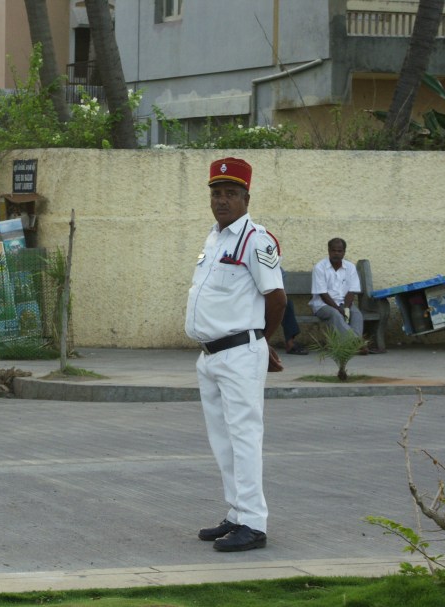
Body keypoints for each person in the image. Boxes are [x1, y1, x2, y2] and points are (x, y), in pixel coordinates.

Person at [185, 157, 286, 552]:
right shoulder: (214, 237)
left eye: (230, 193)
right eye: (216, 193)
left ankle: (254, 524)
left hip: (240, 352)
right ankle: (237, 513)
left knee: (244, 437)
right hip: (210, 356)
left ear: (247, 197)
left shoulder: (255, 239)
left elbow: (275, 298)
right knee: (222, 439)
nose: (221, 200)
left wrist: (261, 341)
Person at [309, 237, 364, 338]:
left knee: (356, 314)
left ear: (344, 252)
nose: (336, 253)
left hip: (345, 303)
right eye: (333, 250)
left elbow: (351, 291)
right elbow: (323, 295)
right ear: (329, 251)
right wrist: (339, 309)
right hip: (323, 305)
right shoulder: (319, 267)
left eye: (339, 251)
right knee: (336, 315)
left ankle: (353, 343)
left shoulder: (350, 267)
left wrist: (346, 308)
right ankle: (356, 343)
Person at [280, 269, 307, 355]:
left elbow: (279, 289)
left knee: (286, 303)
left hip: (267, 299)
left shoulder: (277, 268)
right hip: (253, 300)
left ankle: (290, 344)